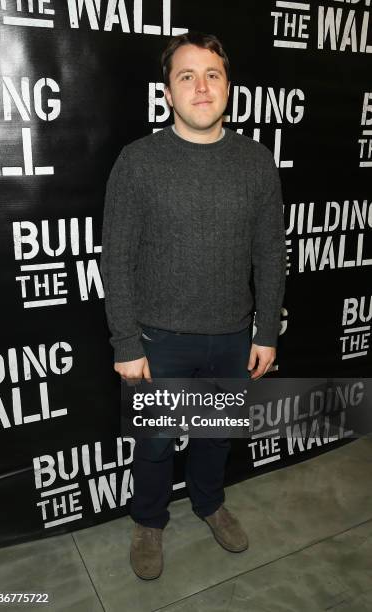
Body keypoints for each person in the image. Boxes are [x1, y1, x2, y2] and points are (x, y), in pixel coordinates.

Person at [101, 31, 286, 580]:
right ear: (168, 93)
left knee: (214, 435)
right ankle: (149, 520)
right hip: (160, 342)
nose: (201, 87)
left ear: (228, 87)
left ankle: (209, 503)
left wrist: (267, 330)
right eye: (187, 76)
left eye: (212, 75)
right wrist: (127, 343)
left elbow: (270, 254)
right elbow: (117, 259)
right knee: (154, 444)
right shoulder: (137, 163)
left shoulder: (256, 162)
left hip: (231, 337)